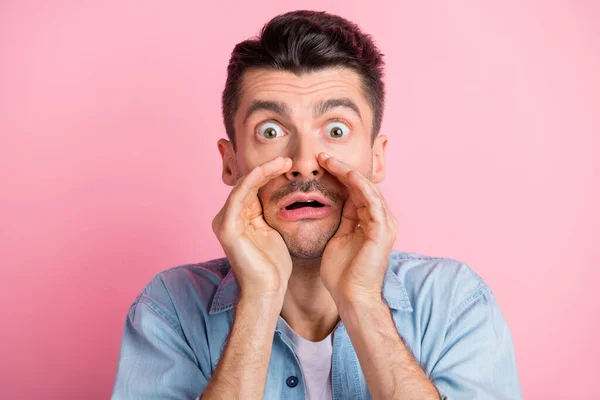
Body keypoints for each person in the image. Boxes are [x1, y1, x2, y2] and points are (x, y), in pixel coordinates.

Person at [111, 10, 522, 400]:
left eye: (336, 129)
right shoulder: (169, 308)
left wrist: (362, 301)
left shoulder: (454, 302)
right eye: (270, 130)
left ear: (376, 158)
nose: (305, 162)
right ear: (231, 161)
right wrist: (257, 301)